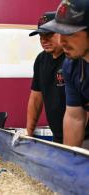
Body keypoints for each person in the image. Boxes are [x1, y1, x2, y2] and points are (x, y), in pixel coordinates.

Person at [40, 0, 89, 146]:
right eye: (60, 32)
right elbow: (75, 118)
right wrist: (67, 162)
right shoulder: (71, 65)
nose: (62, 41)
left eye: (69, 33)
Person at [26, 12, 66, 143]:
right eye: (41, 35)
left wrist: (72, 146)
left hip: (83, 137)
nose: (44, 39)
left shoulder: (75, 58)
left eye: (49, 34)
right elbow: (36, 98)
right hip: (58, 136)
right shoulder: (41, 59)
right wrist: (29, 133)